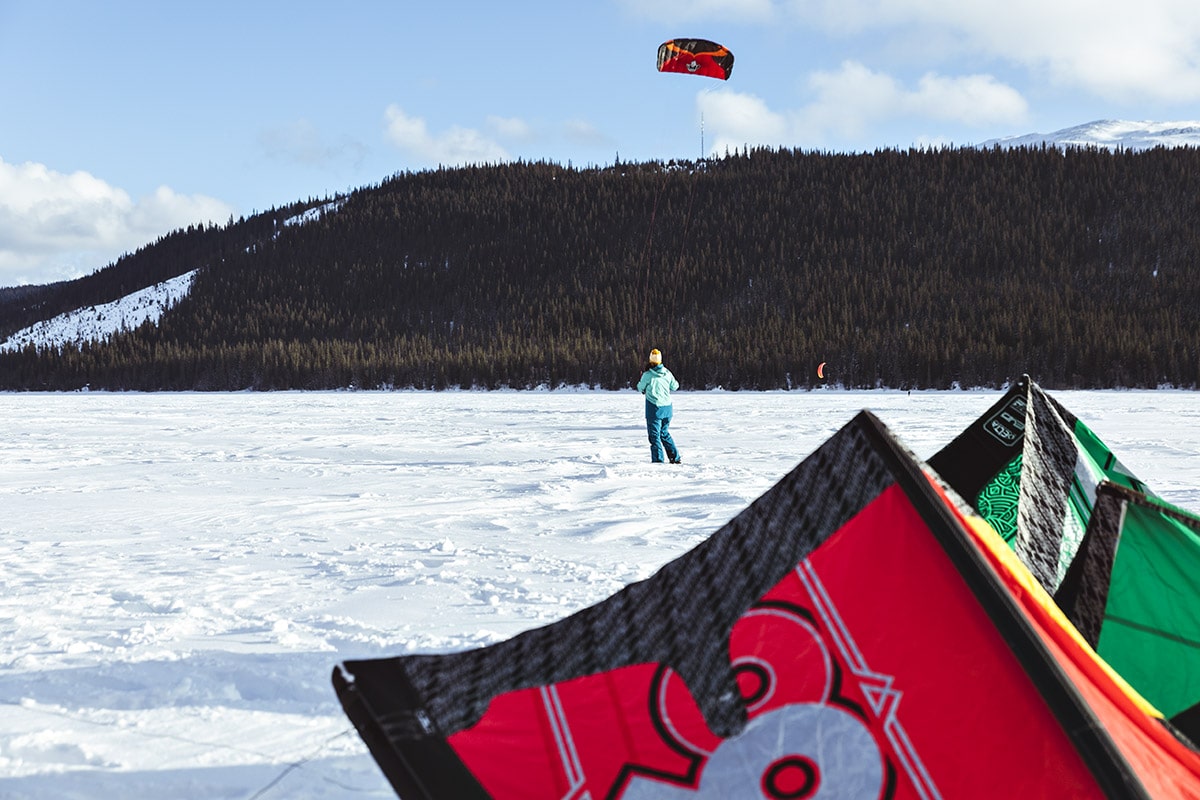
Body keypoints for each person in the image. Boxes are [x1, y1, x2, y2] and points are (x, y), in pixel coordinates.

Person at [636, 348, 681, 464]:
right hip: (667, 409)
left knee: (654, 436)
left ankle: (658, 462)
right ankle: (675, 458)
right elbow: (675, 386)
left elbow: (640, 388)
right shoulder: (667, 373)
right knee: (664, 433)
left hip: (654, 409)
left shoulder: (647, 375)